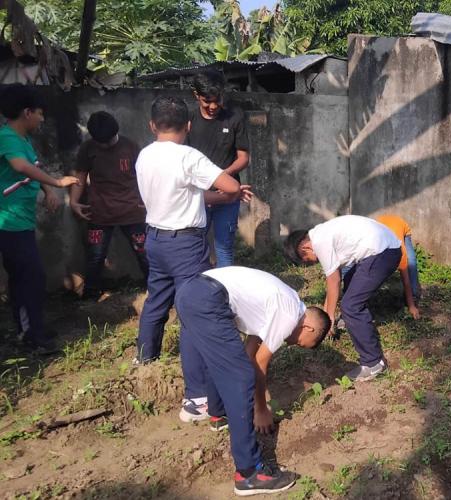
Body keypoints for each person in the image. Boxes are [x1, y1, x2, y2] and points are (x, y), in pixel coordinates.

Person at [175, 266, 330, 495]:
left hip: (191, 291)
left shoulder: (281, 301)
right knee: (240, 377)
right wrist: (260, 409)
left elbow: (249, 352)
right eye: (301, 342)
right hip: (208, 298)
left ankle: (219, 414)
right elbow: (259, 362)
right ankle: (249, 474)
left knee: (224, 362)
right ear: (308, 327)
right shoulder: (289, 314)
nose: (292, 343)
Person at [135, 96, 248, 366]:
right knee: (193, 304)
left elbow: (187, 195)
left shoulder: (144, 155)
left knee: (156, 301)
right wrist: (231, 194)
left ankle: (145, 358)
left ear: (153, 126)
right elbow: (230, 186)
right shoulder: (188, 157)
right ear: (188, 125)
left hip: (155, 239)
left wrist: (220, 197)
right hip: (184, 244)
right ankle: (196, 370)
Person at [0, 84, 80, 350]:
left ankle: (33, 328)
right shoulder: (8, 138)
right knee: (28, 278)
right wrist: (57, 183)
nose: (43, 118)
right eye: (40, 113)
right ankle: (30, 334)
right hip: (8, 222)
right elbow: (19, 166)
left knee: (29, 277)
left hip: (20, 219)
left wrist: (47, 190)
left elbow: (31, 167)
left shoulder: (21, 139)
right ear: (27, 112)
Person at [284, 215, 401, 381]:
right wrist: (327, 313)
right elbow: (335, 280)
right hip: (386, 248)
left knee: (350, 306)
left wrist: (328, 319)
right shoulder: (320, 233)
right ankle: (351, 321)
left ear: (304, 249)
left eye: (305, 261)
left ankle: (374, 363)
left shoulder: (320, 242)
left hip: (384, 253)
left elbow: (333, 281)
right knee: (350, 280)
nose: (310, 264)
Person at [69, 111, 149, 300]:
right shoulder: (88, 149)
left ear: (116, 132)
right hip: (100, 214)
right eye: (100, 142)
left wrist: (147, 203)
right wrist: (74, 202)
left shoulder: (131, 146)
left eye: (109, 141)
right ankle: (90, 295)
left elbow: (145, 176)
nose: (105, 145)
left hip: (133, 212)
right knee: (95, 257)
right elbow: (80, 176)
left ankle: (157, 290)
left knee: (145, 253)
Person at [187, 70, 250, 268]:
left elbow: (243, 158)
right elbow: (183, 159)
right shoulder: (188, 119)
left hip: (229, 194)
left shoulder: (235, 116)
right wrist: (207, 183)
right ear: (196, 95)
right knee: (195, 247)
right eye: (207, 101)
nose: (213, 106)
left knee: (224, 246)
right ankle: (197, 290)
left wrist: (223, 178)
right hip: (198, 196)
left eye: (217, 100)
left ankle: (227, 291)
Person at [375, 214, 421, 319]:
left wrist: (411, 306)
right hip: (380, 225)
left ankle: (413, 295)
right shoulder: (374, 251)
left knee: (411, 262)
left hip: (401, 227)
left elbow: (406, 280)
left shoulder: (400, 253)